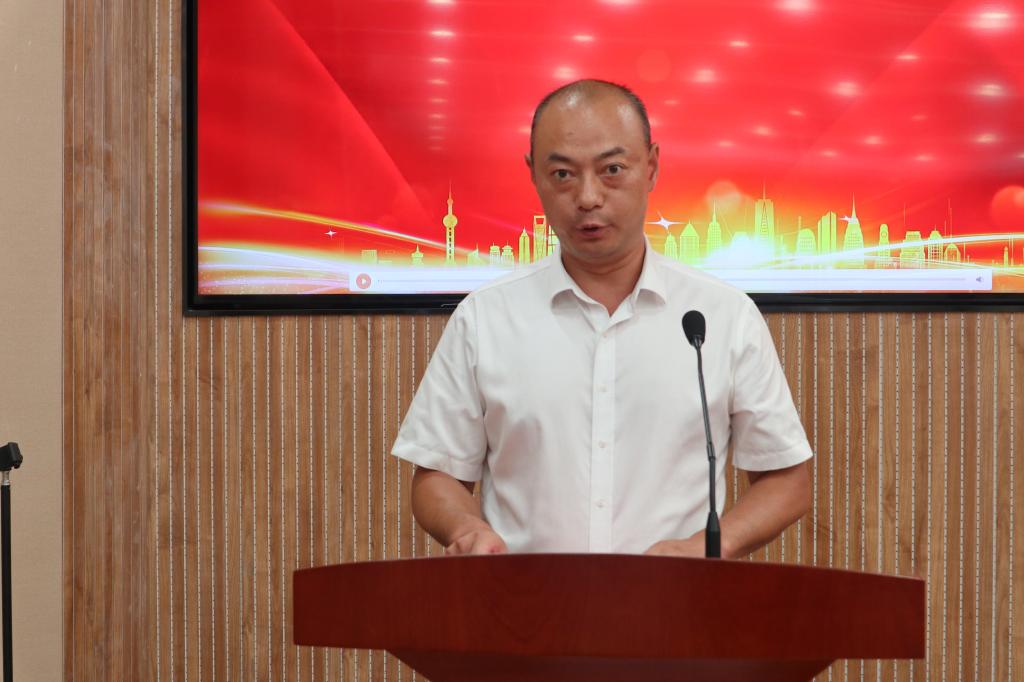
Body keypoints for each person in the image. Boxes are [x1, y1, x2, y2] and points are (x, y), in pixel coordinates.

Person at [391, 79, 812, 558]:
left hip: (674, 599)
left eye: (612, 169)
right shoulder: (485, 318)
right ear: (534, 175)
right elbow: (437, 475)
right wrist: (466, 528)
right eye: (563, 174)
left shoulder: (721, 315)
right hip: (524, 600)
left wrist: (708, 548)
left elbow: (786, 479)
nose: (588, 197)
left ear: (651, 167)